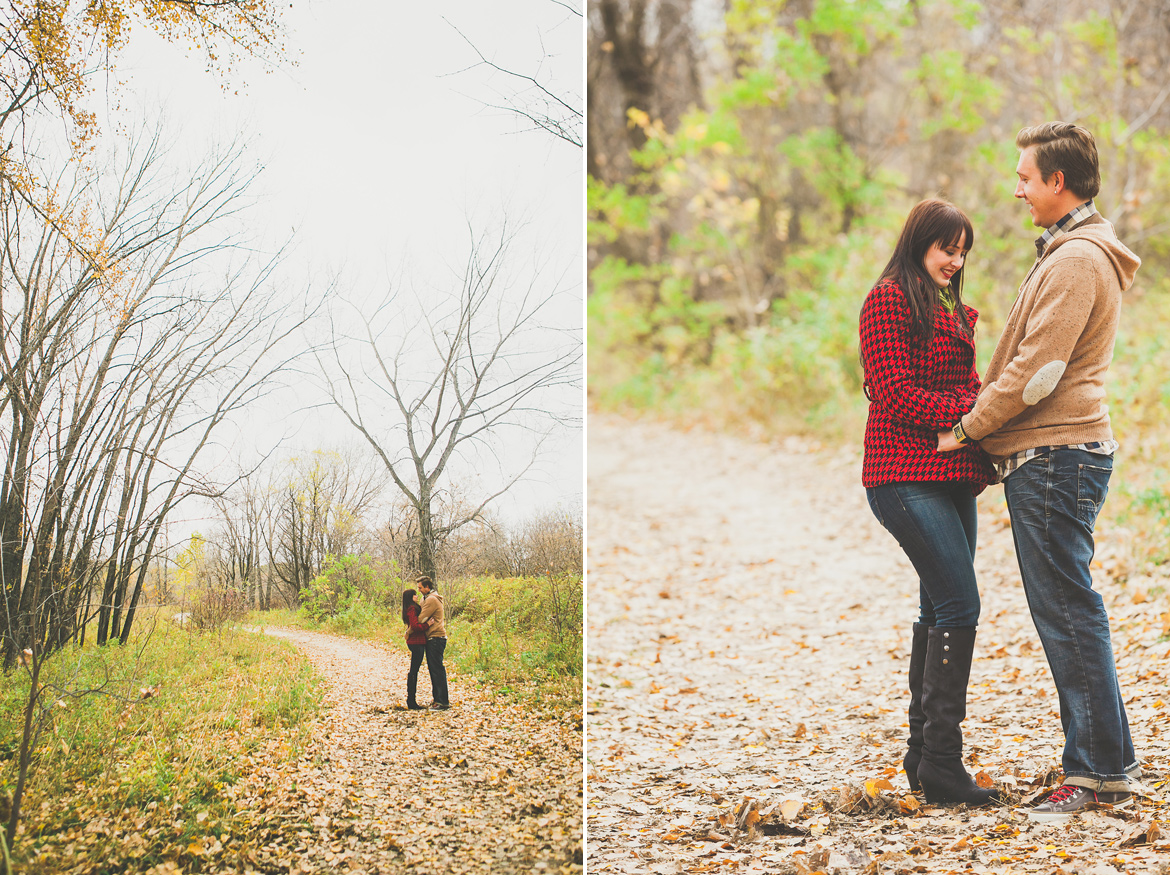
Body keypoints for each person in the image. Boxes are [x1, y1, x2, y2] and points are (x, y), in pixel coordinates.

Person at [938, 122, 1141, 822]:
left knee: (1068, 611)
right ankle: (1109, 763)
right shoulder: (1071, 251)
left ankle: (1095, 773)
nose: (1016, 187)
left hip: (1057, 456)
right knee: (1072, 607)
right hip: (1054, 456)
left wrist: (966, 427)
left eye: (1025, 176)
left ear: (1059, 181)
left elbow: (1039, 371)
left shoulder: (1078, 259)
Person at [859, 198, 998, 806]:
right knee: (960, 603)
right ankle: (943, 761)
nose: (956, 259)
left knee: (939, 607)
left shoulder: (952, 307)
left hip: (952, 474)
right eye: (948, 247)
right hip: (901, 474)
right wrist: (964, 417)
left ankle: (922, 756)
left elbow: (964, 383)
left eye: (963, 249)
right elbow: (891, 390)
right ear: (920, 241)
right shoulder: (887, 298)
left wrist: (975, 424)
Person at [416, 574, 450, 710]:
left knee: (437, 670)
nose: (418, 590)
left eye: (420, 587)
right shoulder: (427, 598)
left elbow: (420, 618)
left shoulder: (431, 600)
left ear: (427, 587)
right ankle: (438, 699)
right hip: (433, 638)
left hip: (436, 637)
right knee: (434, 669)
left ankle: (442, 701)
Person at [401, 588, 428, 710]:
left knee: (414, 670)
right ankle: (411, 700)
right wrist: (428, 625)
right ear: (411, 597)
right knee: (414, 671)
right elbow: (415, 625)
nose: (417, 596)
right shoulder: (412, 608)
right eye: (414, 595)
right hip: (416, 641)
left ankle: (411, 699)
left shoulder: (410, 607)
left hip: (415, 641)